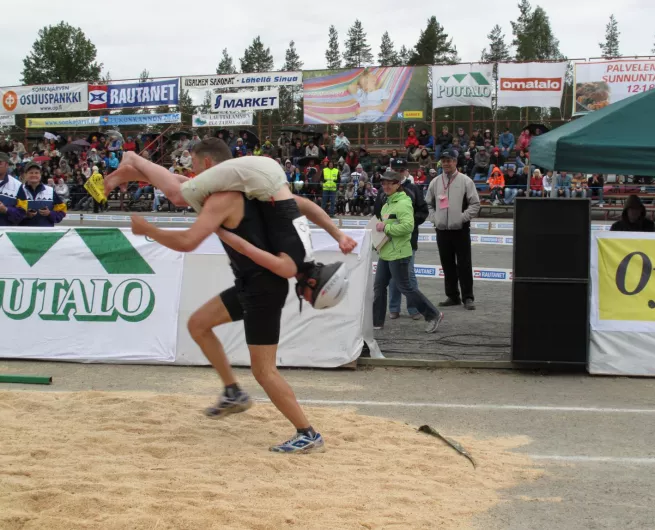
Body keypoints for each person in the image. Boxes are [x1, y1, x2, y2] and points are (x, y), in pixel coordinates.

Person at [114, 140, 357, 454]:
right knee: (199, 324)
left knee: (263, 370)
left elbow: (203, 237)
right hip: (253, 284)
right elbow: (183, 188)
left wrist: (151, 229)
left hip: (261, 290)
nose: (306, 299)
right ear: (312, 282)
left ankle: (307, 432)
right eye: (311, 297)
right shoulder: (251, 198)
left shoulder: (262, 216)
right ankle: (232, 391)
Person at [373, 170, 443, 333]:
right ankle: (376, 322)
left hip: (399, 253)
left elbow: (408, 227)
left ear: (398, 185)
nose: (387, 186)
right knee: (379, 286)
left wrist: (386, 227)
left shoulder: (403, 203)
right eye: (384, 183)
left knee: (406, 288)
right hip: (386, 252)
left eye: (390, 183)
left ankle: (433, 314)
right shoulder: (386, 203)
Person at [425, 150, 480, 310]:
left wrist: (461, 218)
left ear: (456, 162)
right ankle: (452, 296)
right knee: (447, 264)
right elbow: (428, 203)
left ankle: (468, 297)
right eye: (444, 160)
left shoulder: (466, 181)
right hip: (442, 230)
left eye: (449, 160)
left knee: (464, 264)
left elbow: (475, 204)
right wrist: (435, 218)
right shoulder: (435, 182)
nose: (446, 163)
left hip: (460, 229)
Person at [374, 160, 428, 321]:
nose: (399, 171)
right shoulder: (384, 192)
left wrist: (406, 223)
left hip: (407, 239)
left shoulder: (413, 190)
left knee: (408, 278)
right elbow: (378, 212)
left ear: (405, 171)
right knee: (391, 279)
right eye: (395, 168)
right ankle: (394, 308)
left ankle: (414, 309)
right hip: (386, 241)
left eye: (401, 169)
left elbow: (422, 212)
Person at [20, 163, 67, 227]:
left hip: (46, 234)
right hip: (21, 233)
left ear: (40, 174)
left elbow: (62, 212)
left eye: (36, 173)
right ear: (25, 175)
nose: (34, 175)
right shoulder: (19, 190)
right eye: (31, 173)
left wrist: (50, 213)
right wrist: (25, 215)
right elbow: (11, 214)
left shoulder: (50, 191)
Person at [0, 152, 28, 225]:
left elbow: (22, 213)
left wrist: (6, 210)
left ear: (7, 165)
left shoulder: (17, 185)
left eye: (0, 163)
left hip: (5, 233)